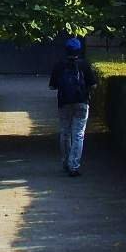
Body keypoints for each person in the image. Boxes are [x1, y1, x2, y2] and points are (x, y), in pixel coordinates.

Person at [48, 36, 99, 176]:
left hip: (64, 102)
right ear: (79, 50)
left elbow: (52, 86)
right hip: (82, 102)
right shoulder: (84, 65)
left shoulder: (59, 65)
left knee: (65, 132)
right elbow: (93, 85)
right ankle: (74, 165)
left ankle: (65, 162)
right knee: (78, 134)